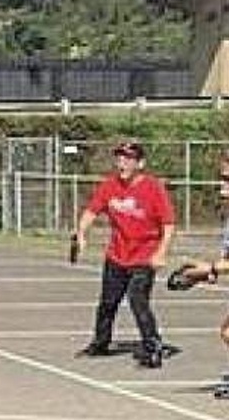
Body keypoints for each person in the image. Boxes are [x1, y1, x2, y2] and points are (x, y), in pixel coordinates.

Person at [73, 140, 175, 368]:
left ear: (140, 163)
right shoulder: (109, 186)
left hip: (144, 256)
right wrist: (81, 233)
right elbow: (91, 211)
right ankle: (100, 343)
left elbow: (168, 224)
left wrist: (161, 252)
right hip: (117, 254)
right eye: (119, 158)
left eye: (128, 159)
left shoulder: (153, 188)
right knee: (108, 302)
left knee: (138, 300)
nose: (122, 163)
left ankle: (152, 346)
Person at [180, 156, 229, 399]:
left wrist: (212, 268)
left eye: (228, 179)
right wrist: (202, 274)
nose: (221, 183)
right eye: (221, 178)